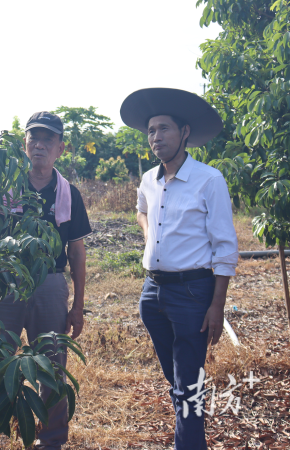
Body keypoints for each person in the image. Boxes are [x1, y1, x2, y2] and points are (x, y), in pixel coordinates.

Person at [120, 88, 239, 450]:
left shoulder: (209, 180)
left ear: (184, 132)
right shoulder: (149, 180)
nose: (156, 137)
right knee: (179, 382)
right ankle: (187, 432)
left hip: (192, 294)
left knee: (188, 385)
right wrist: (148, 234)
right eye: (151, 131)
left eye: (164, 129)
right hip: (152, 293)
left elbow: (225, 246)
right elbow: (141, 210)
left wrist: (217, 305)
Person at [0, 112, 92, 450]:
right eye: (33, 138)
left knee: (52, 367)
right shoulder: (6, 186)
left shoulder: (69, 193)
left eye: (47, 139)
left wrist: (77, 306)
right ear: (24, 143)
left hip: (51, 285)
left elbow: (77, 252)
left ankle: (50, 441)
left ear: (60, 148)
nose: (39, 144)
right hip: (6, 285)